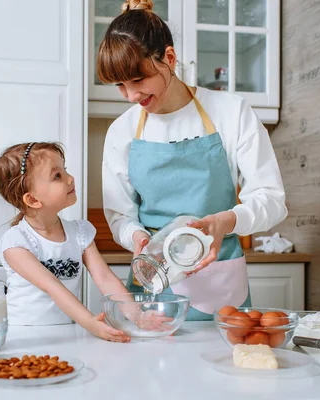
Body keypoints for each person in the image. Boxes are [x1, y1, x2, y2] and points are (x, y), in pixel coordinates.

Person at [97, 0, 288, 321]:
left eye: (138, 80)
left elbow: (272, 200)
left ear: (169, 59)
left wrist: (226, 221)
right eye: (120, 85)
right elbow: (119, 216)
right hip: (154, 280)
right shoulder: (122, 131)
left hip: (219, 281)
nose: (131, 96)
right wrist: (138, 238)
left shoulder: (230, 111)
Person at [0, 142, 170, 342]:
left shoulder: (79, 232)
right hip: (24, 335)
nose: (70, 178)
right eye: (57, 176)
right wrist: (90, 322)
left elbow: (104, 278)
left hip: (67, 333)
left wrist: (137, 315)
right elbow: (52, 286)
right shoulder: (16, 242)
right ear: (33, 200)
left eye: (65, 169)